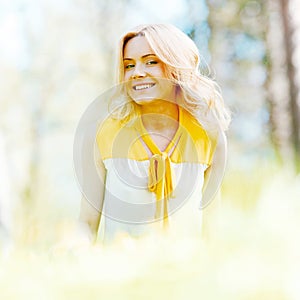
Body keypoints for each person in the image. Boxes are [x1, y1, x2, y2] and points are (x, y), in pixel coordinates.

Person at [76, 23, 231, 244]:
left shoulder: (209, 136)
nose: (137, 73)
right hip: (121, 274)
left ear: (177, 68)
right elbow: (86, 224)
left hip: (188, 274)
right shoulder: (103, 133)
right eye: (129, 66)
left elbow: (213, 228)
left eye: (151, 62)